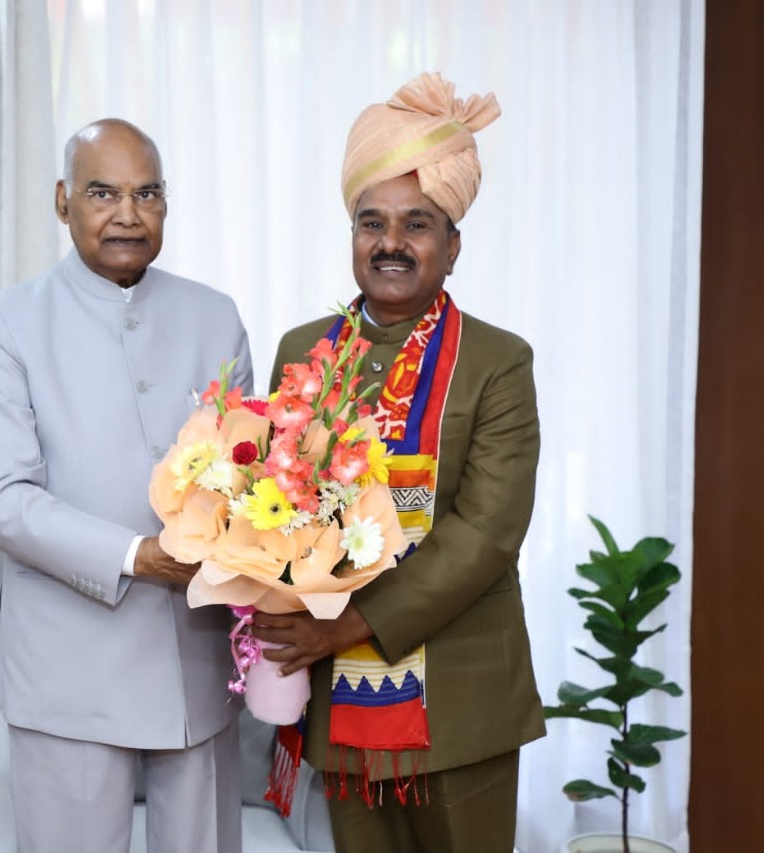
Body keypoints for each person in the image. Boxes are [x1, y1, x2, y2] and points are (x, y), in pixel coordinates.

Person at [253, 73, 544, 852]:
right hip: (339, 700)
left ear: (453, 245)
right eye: (371, 222)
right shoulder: (302, 350)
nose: (390, 243)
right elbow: (269, 506)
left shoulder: (497, 362)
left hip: (461, 697)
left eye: (417, 224)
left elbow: (486, 534)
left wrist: (348, 626)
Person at [0, 119, 250, 853]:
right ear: (63, 201)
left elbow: (251, 473)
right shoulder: (5, 323)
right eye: (102, 193)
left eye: (147, 194)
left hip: (195, 663)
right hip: (69, 670)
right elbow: (2, 498)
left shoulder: (215, 317)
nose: (128, 213)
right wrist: (135, 555)